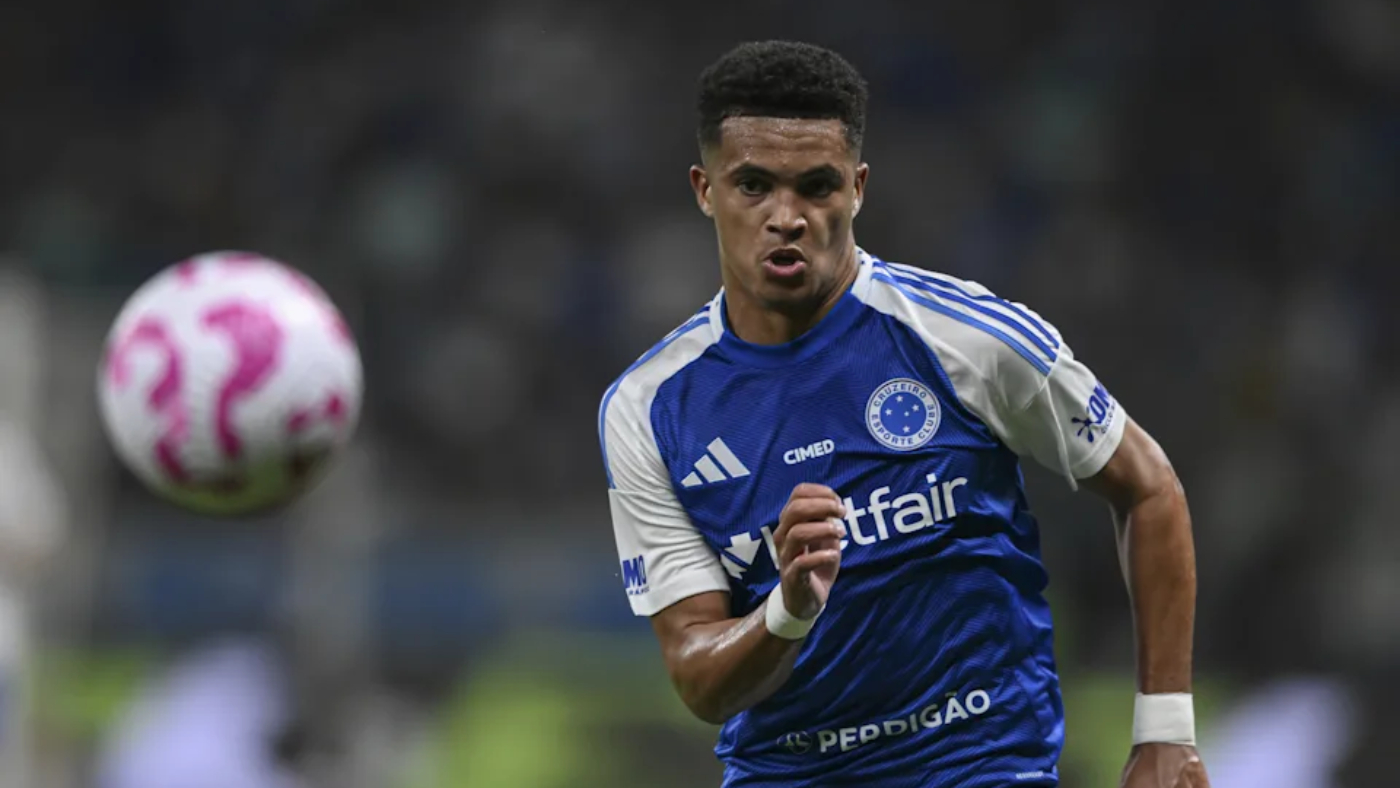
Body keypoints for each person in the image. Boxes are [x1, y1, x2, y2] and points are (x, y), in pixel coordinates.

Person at [598, 40, 1208, 788]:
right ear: (704, 189)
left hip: (980, 766)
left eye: (816, 186)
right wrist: (787, 609)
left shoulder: (967, 338)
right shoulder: (648, 408)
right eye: (753, 185)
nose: (785, 217)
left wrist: (1166, 731)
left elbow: (1148, 486)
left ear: (857, 189)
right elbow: (699, 680)